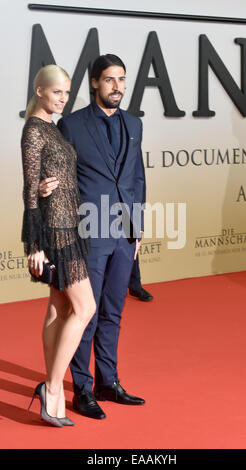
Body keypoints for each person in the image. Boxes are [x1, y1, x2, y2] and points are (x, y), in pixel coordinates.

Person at [39, 54, 146, 420]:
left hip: (123, 233)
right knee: (86, 312)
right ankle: (82, 389)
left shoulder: (134, 123)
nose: (117, 86)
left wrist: (137, 227)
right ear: (95, 83)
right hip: (88, 231)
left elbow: (137, 178)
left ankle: (108, 381)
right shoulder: (71, 125)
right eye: (110, 80)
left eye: (122, 79)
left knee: (113, 311)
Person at [21, 64, 96, 427]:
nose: (63, 99)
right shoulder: (34, 132)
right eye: (57, 92)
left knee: (60, 308)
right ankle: (52, 390)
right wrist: (35, 244)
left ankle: (47, 386)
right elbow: (29, 191)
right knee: (85, 308)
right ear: (39, 91)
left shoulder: (52, 126)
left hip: (72, 225)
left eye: (67, 92)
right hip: (56, 231)